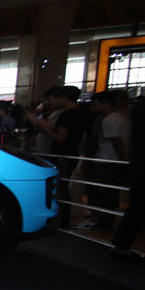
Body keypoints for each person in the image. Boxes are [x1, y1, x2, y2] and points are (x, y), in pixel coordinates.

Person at [27, 85, 93, 227]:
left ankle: (60, 220)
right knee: (62, 186)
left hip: (61, 155)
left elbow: (60, 138)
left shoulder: (66, 115)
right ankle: (62, 219)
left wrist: (42, 127)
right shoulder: (83, 114)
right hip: (73, 153)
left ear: (63, 98)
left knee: (60, 188)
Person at [77, 90, 131, 230]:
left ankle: (96, 220)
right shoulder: (122, 118)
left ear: (105, 103)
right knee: (109, 194)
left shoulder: (109, 120)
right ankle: (105, 220)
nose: (92, 108)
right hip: (112, 162)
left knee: (98, 192)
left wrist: (123, 159)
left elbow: (117, 142)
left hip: (105, 161)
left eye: (95, 105)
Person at [111, 95, 144, 258]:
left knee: (137, 208)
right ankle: (121, 246)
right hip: (140, 165)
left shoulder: (139, 108)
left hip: (138, 164)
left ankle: (121, 246)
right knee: (138, 208)